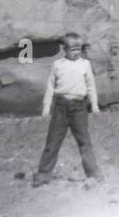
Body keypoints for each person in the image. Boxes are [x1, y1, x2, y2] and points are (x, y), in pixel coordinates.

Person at [33, 32, 102, 186]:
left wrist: (95, 104)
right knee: (53, 142)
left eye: (79, 49)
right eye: (72, 49)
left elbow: (91, 86)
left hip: (79, 108)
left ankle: (94, 174)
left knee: (84, 141)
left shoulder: (85, 64)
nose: (76, 52)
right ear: (64, 49)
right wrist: (46, 107)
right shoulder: (58, 65)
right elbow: (50, 86)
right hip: (60, 108)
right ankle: (43, 174)